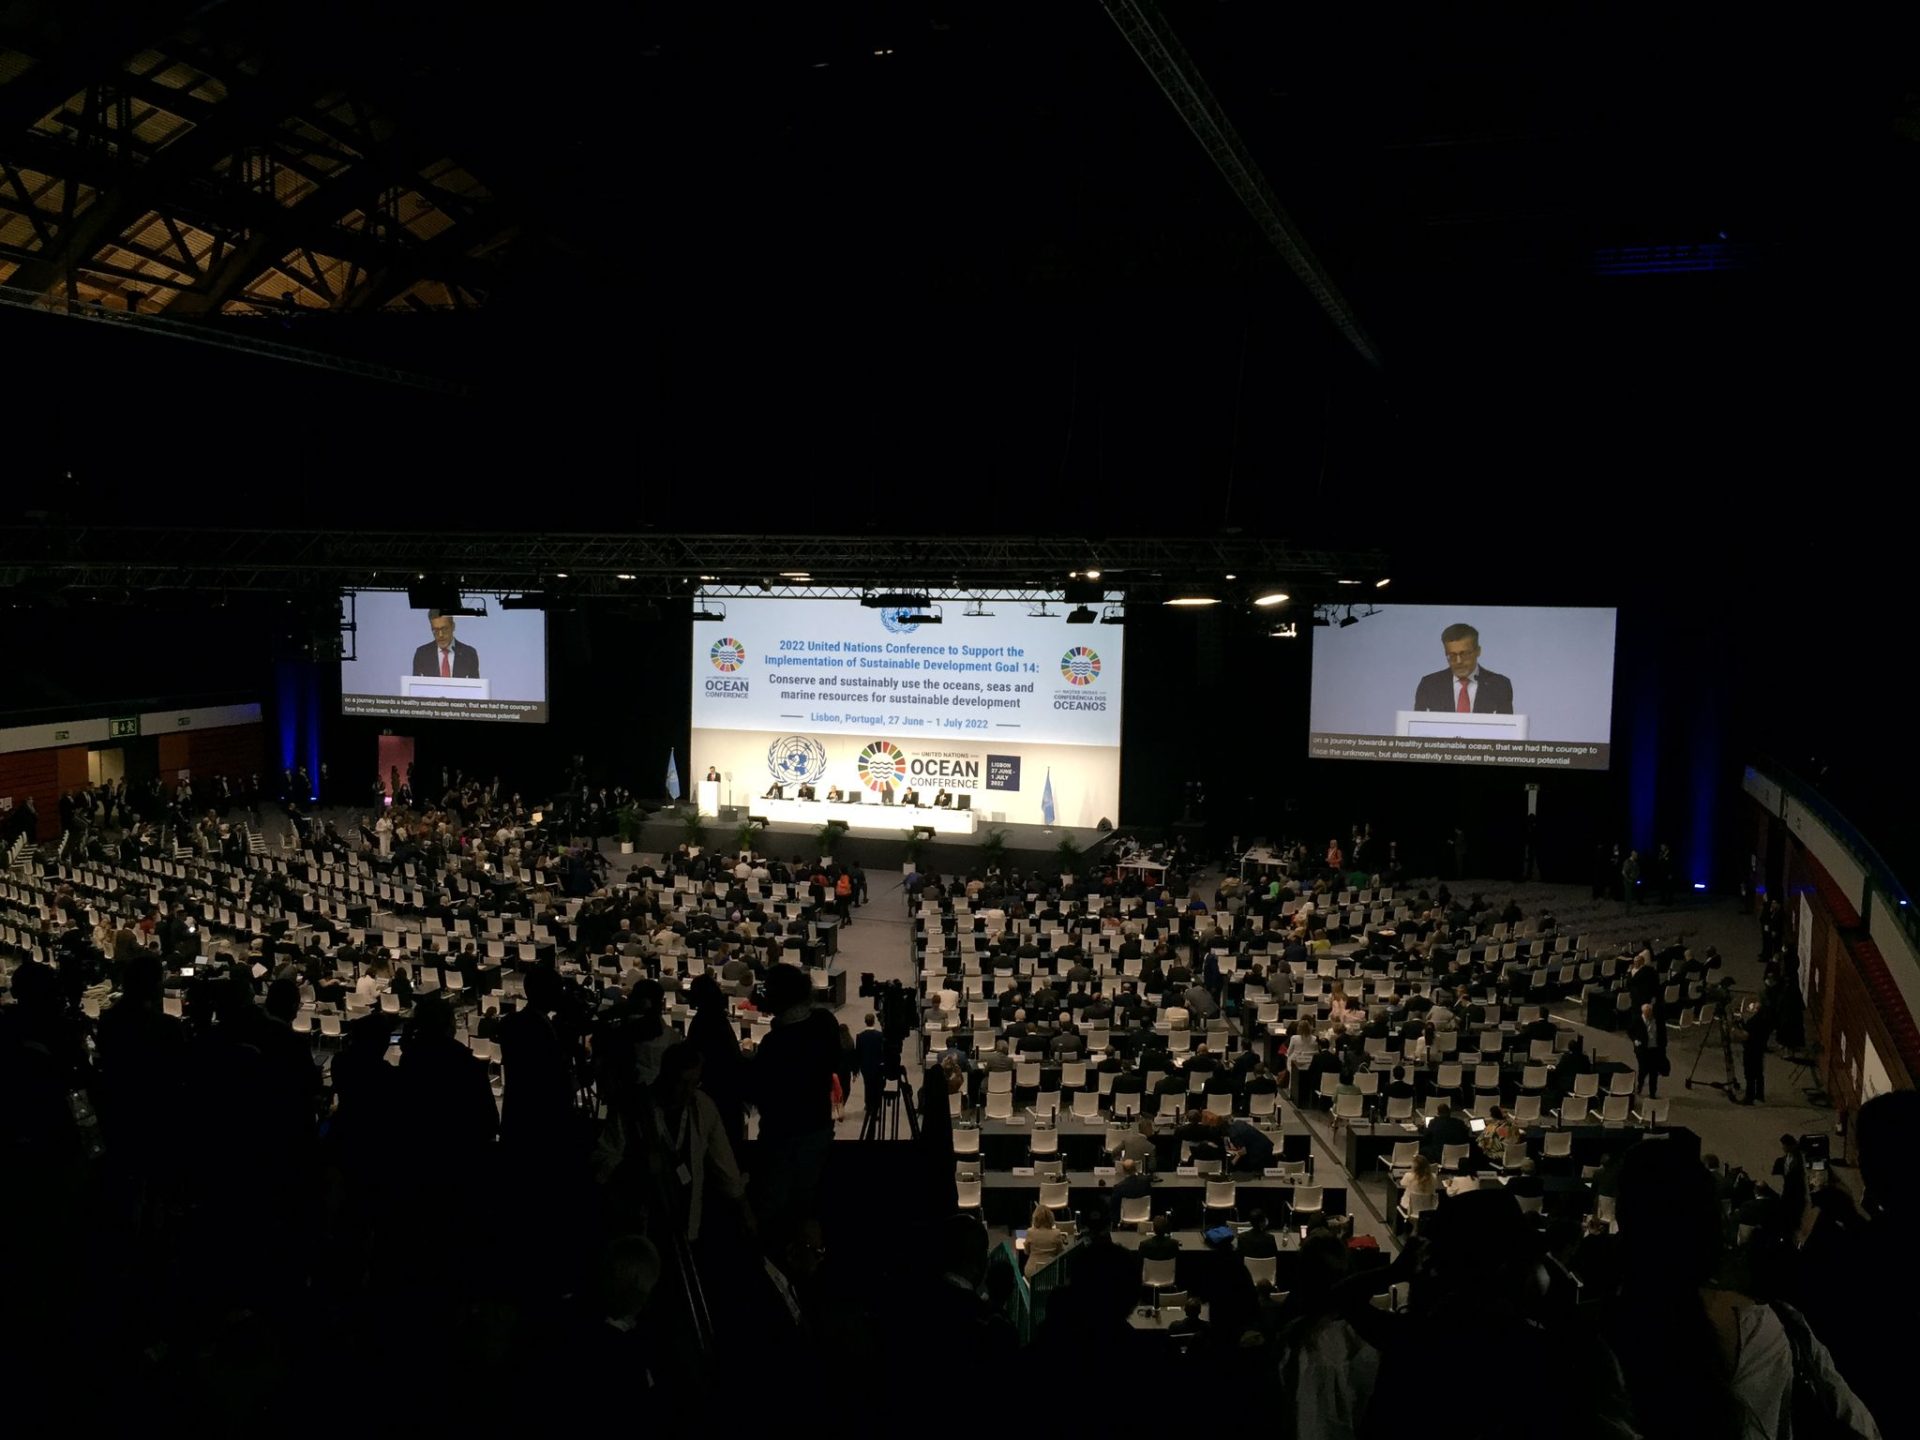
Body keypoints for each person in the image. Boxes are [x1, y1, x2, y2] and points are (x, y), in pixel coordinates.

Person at [1413, 621, 1514, 714]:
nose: (1458, 661)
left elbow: (1507, 730)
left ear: (1478, 651)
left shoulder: (1500, 685)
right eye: (1452, 655)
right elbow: (1416, 728)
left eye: (1464, 654)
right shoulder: (1429, 685)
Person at [411, 610, 480, 678]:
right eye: (435, 630)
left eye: (444, 629)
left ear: (453, 627)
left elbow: (475, 687)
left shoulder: (469, 654)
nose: (440, 635)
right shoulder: (422, 654)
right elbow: (415, 686)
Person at [1628, 1002, 1667, 1098]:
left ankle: (1652, 1093)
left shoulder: (1657, 1021)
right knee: (1643, 1070)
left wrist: (1663, 1046)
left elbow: (1662, 1034)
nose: (1649, 1014)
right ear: (1644, 1013)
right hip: (1643, 1051)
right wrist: (1635, 1040)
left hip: (1655, 1050)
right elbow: (1630, 1031)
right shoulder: (1638, 1020)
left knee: (1654, 1072)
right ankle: (1640, 1085)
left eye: (1650, 1012)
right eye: (1647, 1013)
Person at [1024, 1203, 1068, 1278]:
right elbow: (1061, 1252)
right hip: (1051, 1272)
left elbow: (1026, 1252)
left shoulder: (1030, 1232)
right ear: (1051, 1218)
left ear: (1035, 1218)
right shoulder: (1056, 1233)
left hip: (1032, 1272)